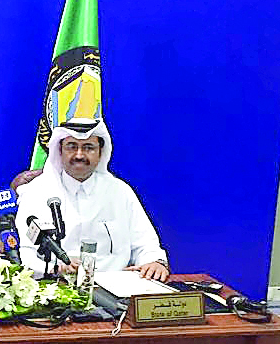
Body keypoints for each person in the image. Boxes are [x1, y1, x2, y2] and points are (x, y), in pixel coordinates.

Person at [15, 118, 169, 281]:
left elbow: (145, 244)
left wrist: (154, 262)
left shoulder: (119, 192)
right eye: (72, 147)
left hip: (116, 288)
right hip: (58, 287)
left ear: (100, 152)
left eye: (88, 148)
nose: (79, 155)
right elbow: (25, 256)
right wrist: (58, 268)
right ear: (60, 151)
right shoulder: (36, 192)